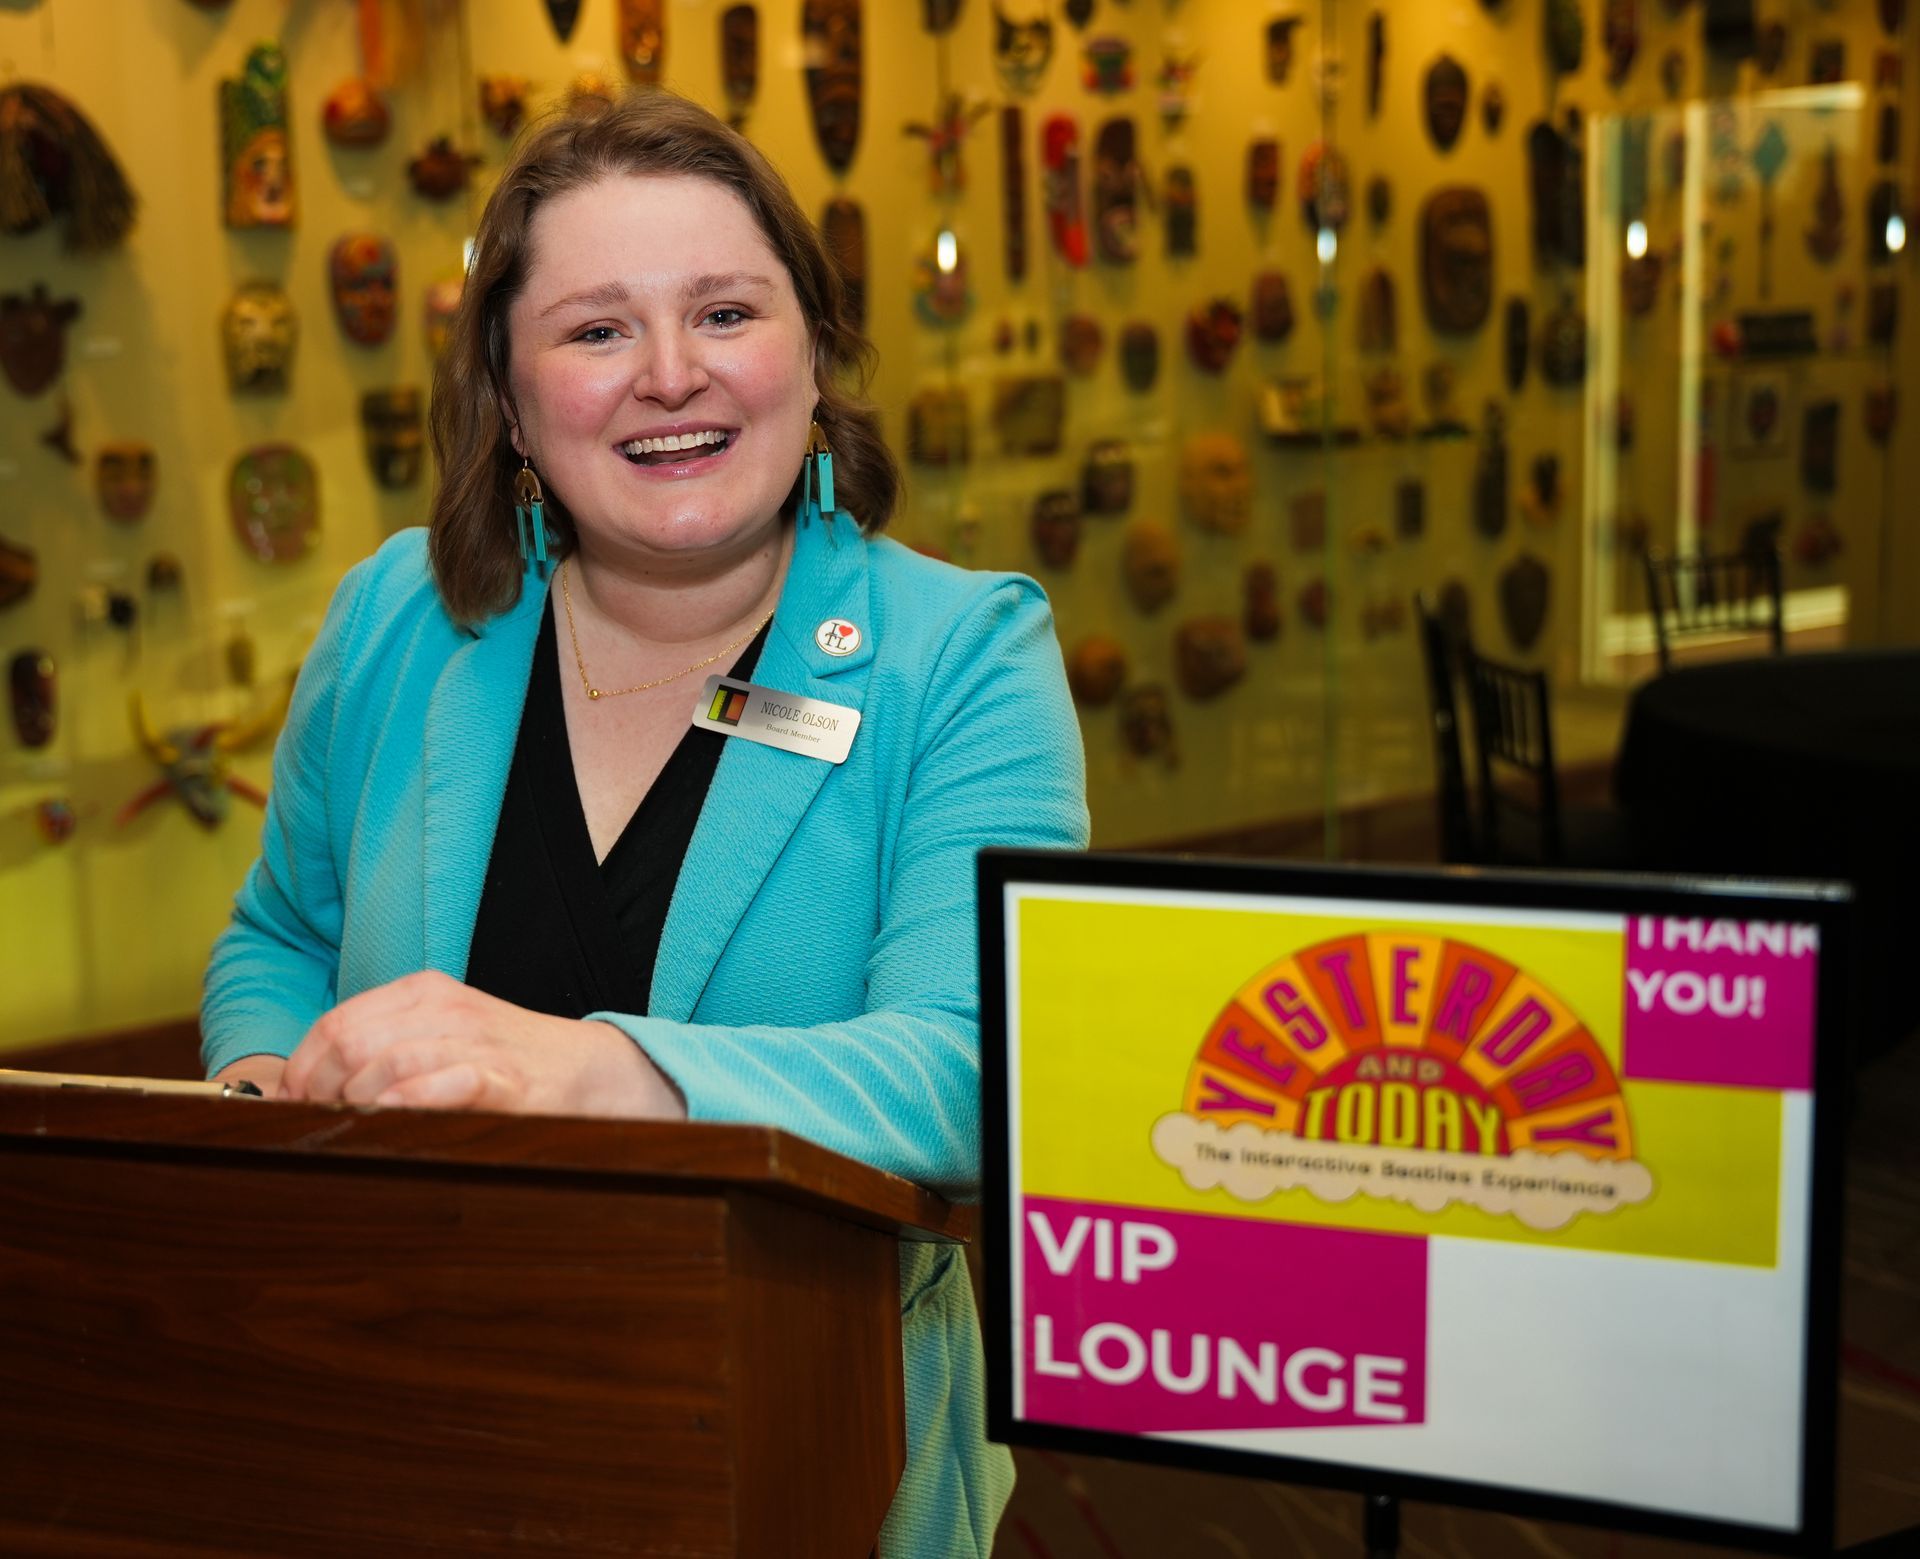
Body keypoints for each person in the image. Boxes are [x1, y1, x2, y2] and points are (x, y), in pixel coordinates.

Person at [201, 90, 1088, 1555]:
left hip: (802, 1453)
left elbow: (978, 1064)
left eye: (726, 312)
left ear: (815, 352)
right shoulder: (394, 622)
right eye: (598, 330)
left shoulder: (964, 656)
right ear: (508, 392)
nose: (671, 377)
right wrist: (262, 1115)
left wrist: (581, 1067)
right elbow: (278, 935)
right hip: (391, 1421)